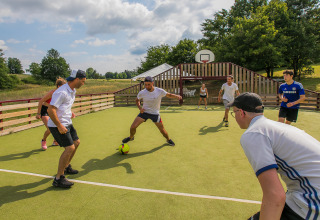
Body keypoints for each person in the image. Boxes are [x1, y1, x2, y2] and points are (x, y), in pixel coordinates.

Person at [229, 92, 320, 220]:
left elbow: (275, 195)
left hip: (312, 201)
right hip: (305, 193)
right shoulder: (275, 127)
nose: (235, 116)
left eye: (234, 112)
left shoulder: (254, 133)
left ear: (242, 113)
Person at [47, 69, 86, 188]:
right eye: (83, 81)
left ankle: (66, 166)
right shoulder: (62, 92)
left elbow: (63, 106)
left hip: (67, 122)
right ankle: (59, 179)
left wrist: (69, 112)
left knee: (76, 142)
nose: (83, 84)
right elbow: (51, 109)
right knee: (69, 148)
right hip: (57, 125)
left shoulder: (72, 90)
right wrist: (59, 125)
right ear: (77, 79)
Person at [122, 76, 182, 146]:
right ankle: (131, 137)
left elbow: (169, 95)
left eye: (148, 84)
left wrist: (176, 96)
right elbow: (137, 100)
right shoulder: (142, 92)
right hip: (144, 112)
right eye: (145, 84)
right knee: (132, 127)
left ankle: (168, 139)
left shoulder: (159, 91)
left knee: (162, 130)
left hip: (155, 114)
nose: (147, 86)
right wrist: (140, 108)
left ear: (152, 83)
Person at [36, 77, 66, 150]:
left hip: (52, 111)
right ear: (59, 86)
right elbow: (41, 101)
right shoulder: (52, 93)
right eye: (63, 86)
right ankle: (43, 140)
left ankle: (55, 141)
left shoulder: (61, 94)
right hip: (45, 111)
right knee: (49, 128)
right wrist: (38, 113)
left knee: (56, 127)